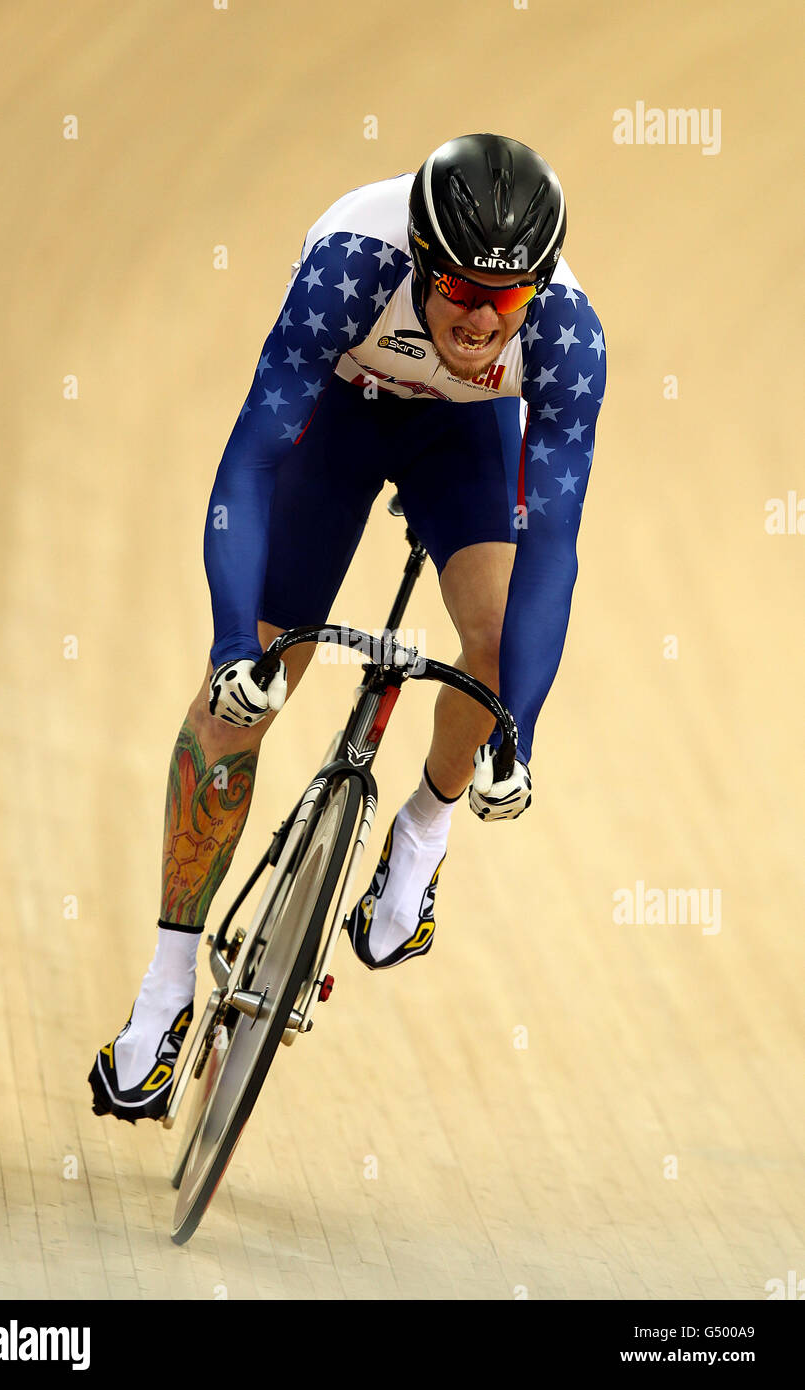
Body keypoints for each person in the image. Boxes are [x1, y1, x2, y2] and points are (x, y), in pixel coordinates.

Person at [89, 133, 606, 1122]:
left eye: (509, 298)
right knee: (238, 698)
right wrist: (237, 642)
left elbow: (554, 550)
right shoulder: (348, 268)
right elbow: (248, 465)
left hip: (463, 441)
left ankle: (419, 833)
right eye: (459, 291)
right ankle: (162, 993)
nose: (483, 319)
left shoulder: (565, 336)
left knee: (493, 643)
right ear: (417, 259)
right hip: (338, 414)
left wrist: (516, 737)